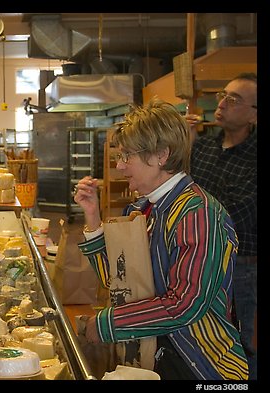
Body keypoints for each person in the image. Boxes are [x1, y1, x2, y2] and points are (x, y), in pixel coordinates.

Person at [74, 98, 248, 380]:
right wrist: (93, 219)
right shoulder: (142, 209)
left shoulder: (198, 213)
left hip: (202, 364)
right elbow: (122, 285)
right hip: (153, 355)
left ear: (161, 155)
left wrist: (106, 324)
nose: (120, 166)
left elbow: (184, 305)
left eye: (127, 155)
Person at [187, 73, 257, 379]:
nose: (223, 103)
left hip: (241, 268)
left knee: (244, 342)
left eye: (235, 100)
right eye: (223, 95)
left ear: (254, 113)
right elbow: (187, 197)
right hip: (201, 260)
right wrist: (183, 146)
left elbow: (239, 213)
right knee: (207, 339)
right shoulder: (202, 147)